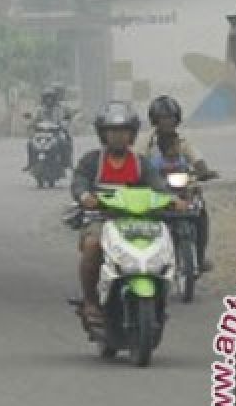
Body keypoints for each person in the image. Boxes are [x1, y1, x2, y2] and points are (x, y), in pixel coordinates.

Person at [70, 101, 187, 332]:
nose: (118, 137)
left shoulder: (141, 164)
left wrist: (174, 200)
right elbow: (79, 182)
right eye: (112, 132)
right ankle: (91, 302)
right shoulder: (92, 161)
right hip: (102, 220)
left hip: (140, 222)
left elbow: (159, 187)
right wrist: (85, 196)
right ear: (103, 134)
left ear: (132, 135)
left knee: (164, 244)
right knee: (93, 245)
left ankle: (159, 295)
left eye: (123, 132)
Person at [144, 95, 215, 272]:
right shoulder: (145, 142)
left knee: (200, 212)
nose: (167, 122)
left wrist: (204, 171)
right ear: (155, 120)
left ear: (177, 119)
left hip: (183, 191)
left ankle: (199, 255)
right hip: (155, 193)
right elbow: (137, 162)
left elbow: (197, 159)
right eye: (163, 118)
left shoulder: (183, 141)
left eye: (171, 118)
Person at [23, 84, 73, 171]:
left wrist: (64, 123)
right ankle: (30, 162)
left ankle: (67, 162)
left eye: (50, 98)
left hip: (55, 133)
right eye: (47, 98)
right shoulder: (39, 109)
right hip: (42, 133)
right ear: (43, 99)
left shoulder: (59, 109)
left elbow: (65, 119)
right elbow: (34, 119)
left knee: (64, 143)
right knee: (30, 143)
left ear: (54, 99)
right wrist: (30, 123)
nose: (48, 100)